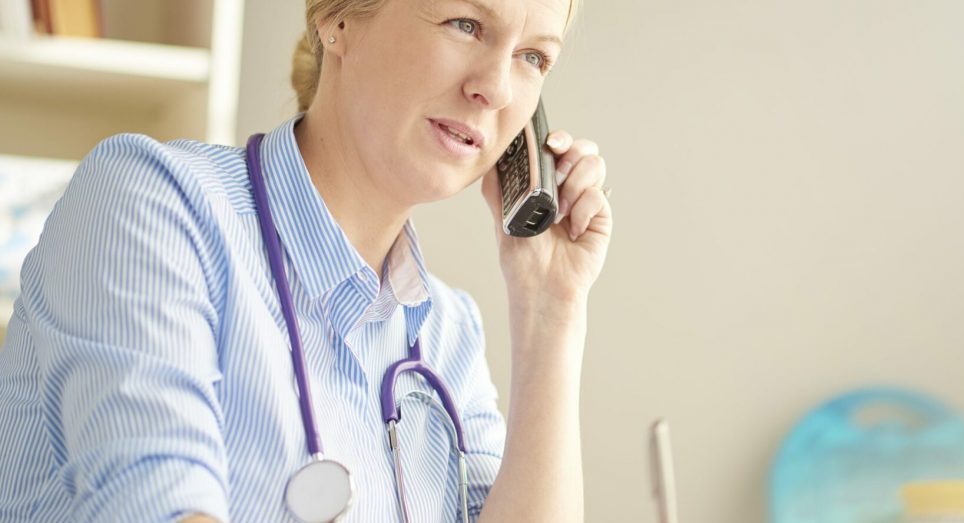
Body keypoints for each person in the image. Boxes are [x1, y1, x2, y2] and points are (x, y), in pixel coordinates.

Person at [0, 0, 609, 520]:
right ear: (339, 19)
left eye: (533, 57)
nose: (497, 88)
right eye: (465, 24)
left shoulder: (446, 335)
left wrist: (550, 312)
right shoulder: (153, 206)